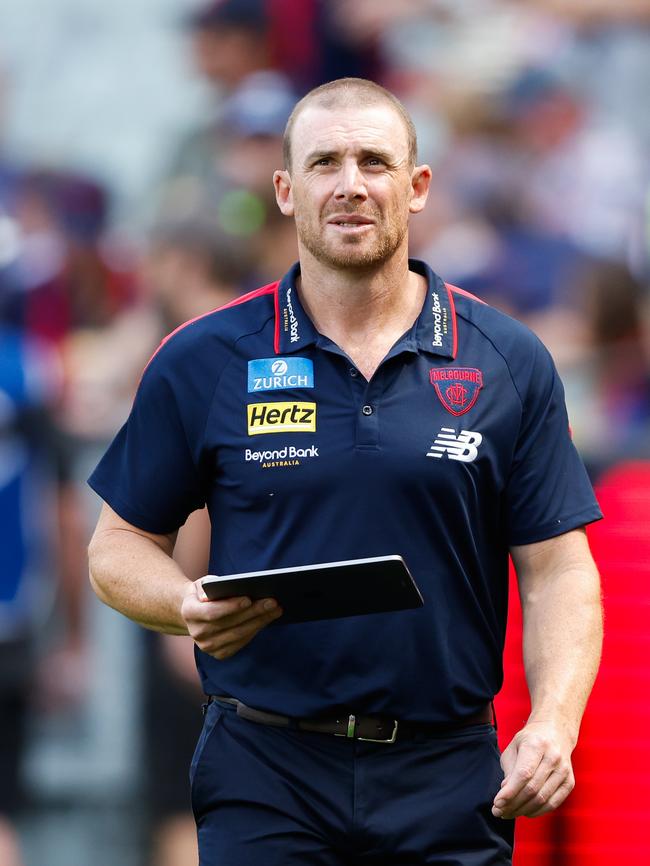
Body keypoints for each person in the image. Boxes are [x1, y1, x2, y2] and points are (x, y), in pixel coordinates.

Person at [87, 78, 603, 866]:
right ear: (287, 191)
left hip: (450, 769)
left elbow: (559, 568)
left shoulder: (507, 359)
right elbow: (115, 547)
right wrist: (182, 603)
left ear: (418, 186)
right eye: (325, 162)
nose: (351, 184)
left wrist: (556, 723)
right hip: (266, 765)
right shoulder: (205, 358)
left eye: (374, 161)